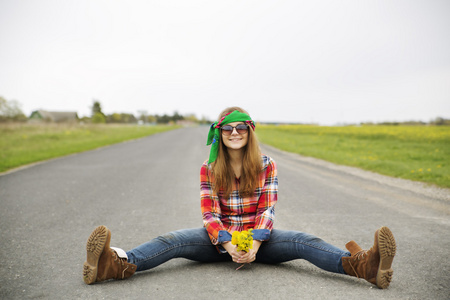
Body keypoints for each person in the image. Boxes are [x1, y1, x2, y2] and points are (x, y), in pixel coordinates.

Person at [82, 107, 396, 289]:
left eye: (241, 128)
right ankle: (115, 263)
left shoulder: (265, 164)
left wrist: (255, 245)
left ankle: (364, 266)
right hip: (217, 239)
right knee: (170, 241)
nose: (235, 133)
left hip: (262, 240)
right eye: (229, 128)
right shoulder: (208, 168)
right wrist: (229, 244)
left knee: (304, 241)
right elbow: (209, 215)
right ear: (220, 133)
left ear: (249, 132)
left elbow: (267, 210)